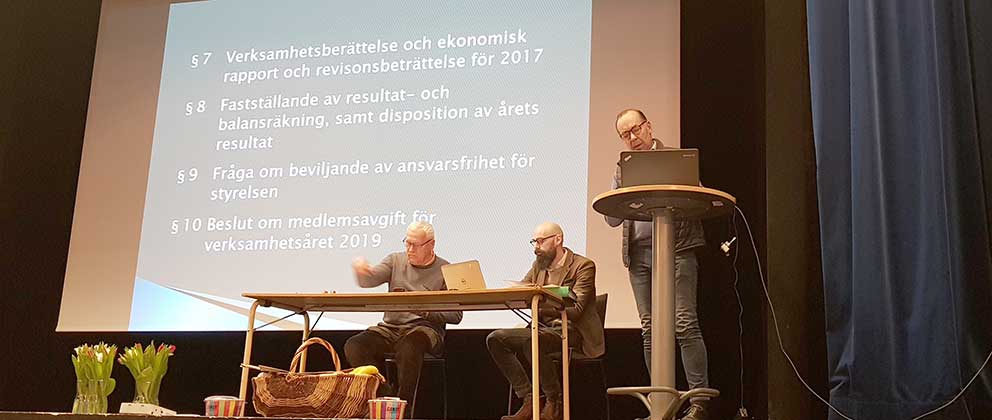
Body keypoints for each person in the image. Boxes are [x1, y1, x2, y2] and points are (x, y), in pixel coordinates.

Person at [605, 109, 710, 420]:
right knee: (650, 329)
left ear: (648, 126)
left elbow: (698, 197)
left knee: (684, 323)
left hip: (677, 250)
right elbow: (612, 219)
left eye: (635, 129)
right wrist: (619, 186)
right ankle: (661, 406)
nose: (632, 138)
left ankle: (699, 402)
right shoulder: (622, 169)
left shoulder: (675, 159)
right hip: (639, 256)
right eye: (625, 134)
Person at [487, 222, 604, 420]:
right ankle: (530, 399)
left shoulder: (583, 266)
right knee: (495, 339)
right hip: (542, 328)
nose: (536, 247)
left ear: (558, 240)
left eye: (540, 241)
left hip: (572, 331)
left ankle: (553, 401)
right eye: (534, 242)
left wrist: (543, 301)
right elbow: (524, 289)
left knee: (532, 341)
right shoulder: (539, 266)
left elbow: (576, 310)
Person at [343, 221, 463, 411]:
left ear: (431, 245)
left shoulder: (446, 270)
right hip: (389, 329)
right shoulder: (395, 261)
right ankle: (386, 396)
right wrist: (361, 271)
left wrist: (423, 310)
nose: (409, 249)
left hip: (424, 330)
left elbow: (456, 315)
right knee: (355, 346)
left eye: (415, 245)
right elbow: (368, 280)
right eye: (407, 243)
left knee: (410, 346)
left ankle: (404, 410)